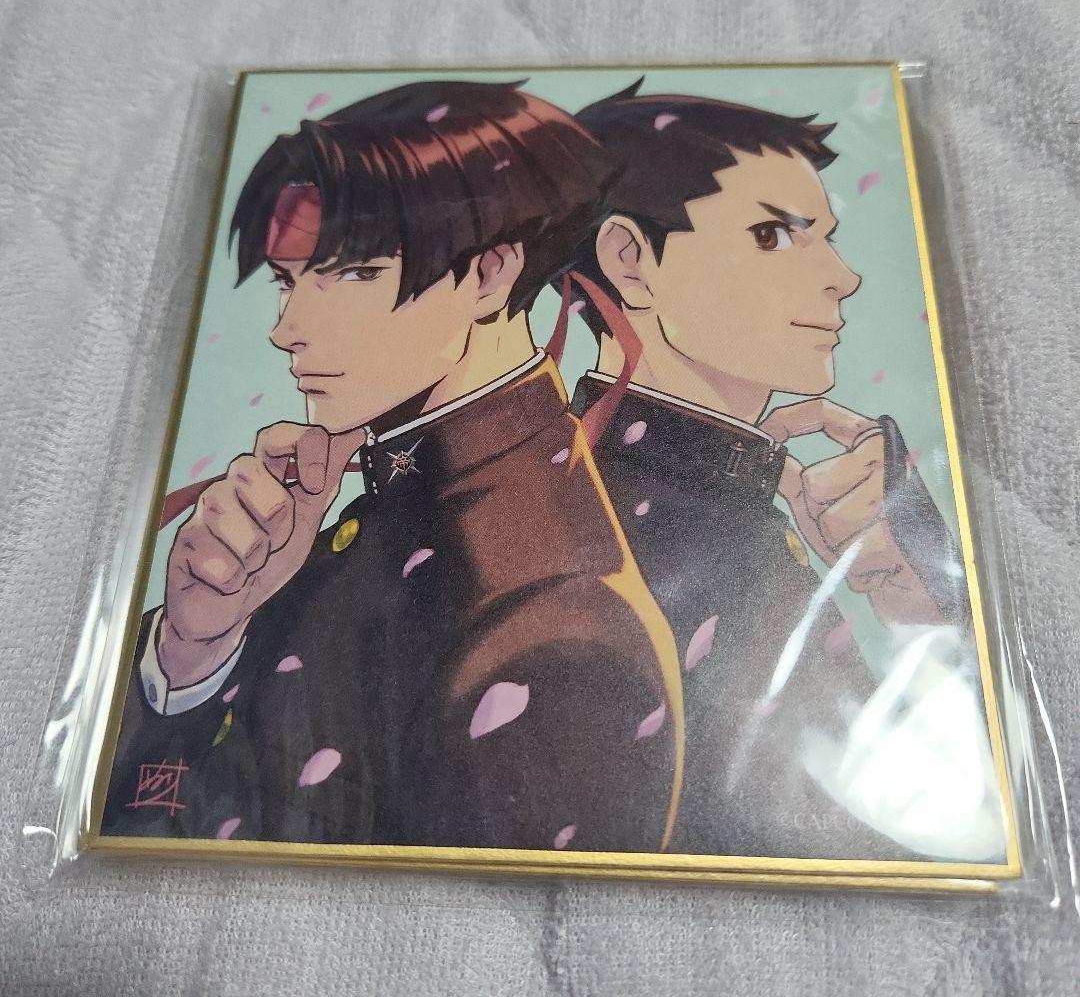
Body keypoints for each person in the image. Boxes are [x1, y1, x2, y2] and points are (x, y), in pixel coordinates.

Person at [100, 80, 685, 854]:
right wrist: (193, 648)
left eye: (352, 273)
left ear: (490, 275)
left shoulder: (552, 640)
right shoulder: (361, 517)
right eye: (287, 281)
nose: (286, 329)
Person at [562, 81, 1004, 862]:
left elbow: (946, 816)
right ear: (631, 262)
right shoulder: (591, 518)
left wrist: (925, 599)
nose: (844, 277)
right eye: (772, 235)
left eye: (826, 238)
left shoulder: (740, 506)